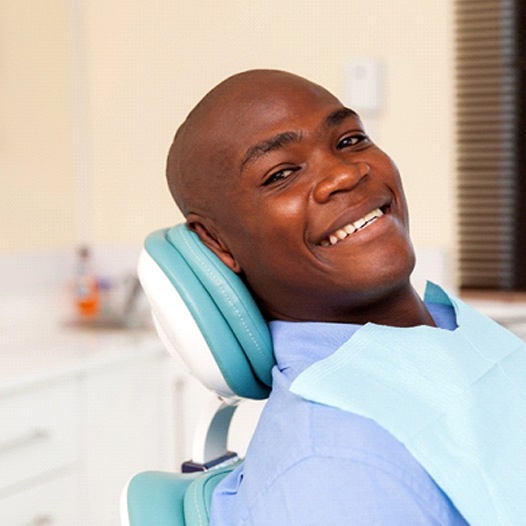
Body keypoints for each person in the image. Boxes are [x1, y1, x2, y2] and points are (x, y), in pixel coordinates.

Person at [166, 69, 469, 524]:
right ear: (217, 242)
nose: (345, 174)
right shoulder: (336, 468)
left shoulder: (452, 329)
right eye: (282, 174)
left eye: (349, 140)